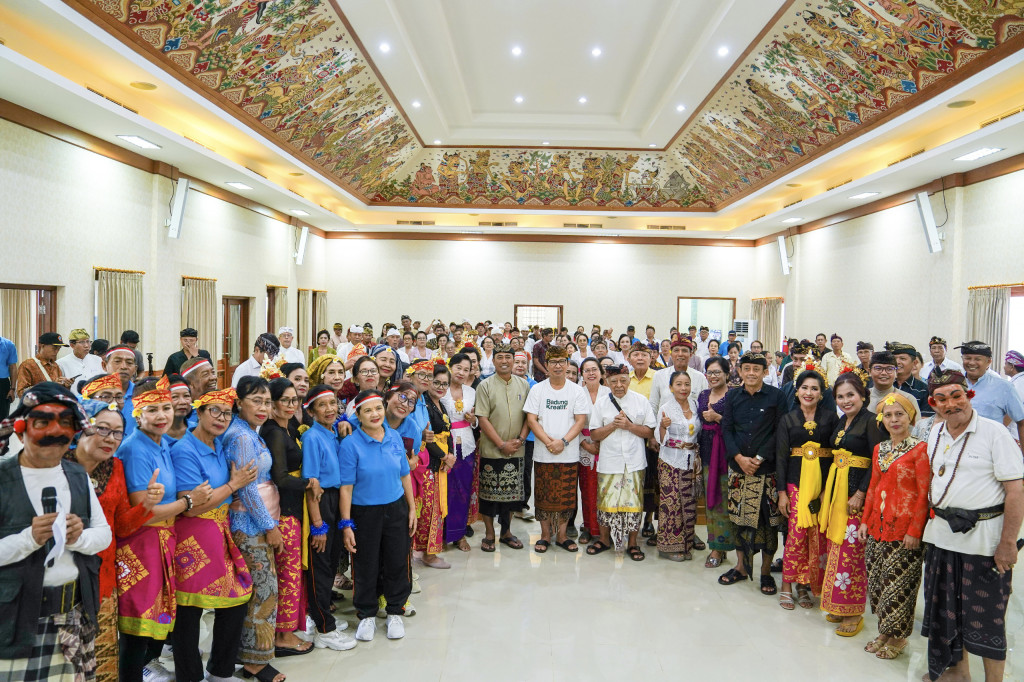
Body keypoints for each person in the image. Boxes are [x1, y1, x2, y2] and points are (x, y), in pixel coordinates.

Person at [0, 384, 112, 681]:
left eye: (66, 424)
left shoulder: (77, 476)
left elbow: (103, 534)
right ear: (21, 429)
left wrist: (81, 538)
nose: (55, 434)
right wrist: (29, 539)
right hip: (13, 622)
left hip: (74, 617)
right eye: (42, 423)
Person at [920, 370, 1024, 682]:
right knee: (946, 614)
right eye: (942, 398)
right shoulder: (935, 432)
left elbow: (1016, 491)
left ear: (969, 396)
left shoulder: (995, 433)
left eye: (956, 396)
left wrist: (1007, 543)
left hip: (984, 545)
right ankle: (960, 673)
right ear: (933, 403)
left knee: (987, 619)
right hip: (941, 538)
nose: (951, 403)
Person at [118, 382, 212, 682]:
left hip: (163, 540)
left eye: (166, 408)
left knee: (157, 618)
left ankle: (149, 666)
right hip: (143, 544)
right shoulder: (135, 450)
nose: (162, 415)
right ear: (136, 414)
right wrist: (188, 502)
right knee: (137, 627)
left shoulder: (160, 443)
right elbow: (143, 514)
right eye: (152, 409)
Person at [66, 398, 160, 682]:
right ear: (83, 427)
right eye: (102, 429)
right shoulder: (58, 466)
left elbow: (121, 526)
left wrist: (146, 505)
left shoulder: (116, 467)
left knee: (103, 659)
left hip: (103, 577)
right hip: (63, 580)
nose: (110, 439)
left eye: (117, 432)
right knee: (67, 661)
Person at [171, 387, 260, 682]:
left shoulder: (219, 444)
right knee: (189, 610)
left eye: (227, 412)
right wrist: (234, 485)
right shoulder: (185, 450)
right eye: (215, 411)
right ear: (198, 412)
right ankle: (189, 675)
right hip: (192, 536)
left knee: (235, 600)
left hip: (218, 530)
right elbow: (191, 507)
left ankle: (219, 671)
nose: (222, 418)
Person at [221, 376, 288, 682]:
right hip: (248, 524)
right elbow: (247, 492)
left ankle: (247, 655)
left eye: (267, 402)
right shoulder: (241, 438)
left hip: (255, 521)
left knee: (259, 591)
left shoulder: (248, 431)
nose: (263, 408)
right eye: (256, 401)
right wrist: (269, 527)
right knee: (263, 591)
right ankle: (255, 663)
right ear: (239, 402)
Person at [856, 392, 929, 661]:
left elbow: (924, 494)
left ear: (910, 417)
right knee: (878, 583)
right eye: (888, 415)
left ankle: (898, 636)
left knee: (899, 585)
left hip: (905, 530)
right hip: (877, 526)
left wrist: (914, 531)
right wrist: (865, 521)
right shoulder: (880, 449)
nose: (894, 419)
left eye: (900, 414)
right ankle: (885, 632)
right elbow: (873, 488)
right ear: (881, 419)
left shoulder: (920, 449)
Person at [339, 389, 416, 642]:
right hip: (364, 513)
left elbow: (404, 474)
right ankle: (367, 614)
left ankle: (395, 610)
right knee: (365, 564)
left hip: (396, 508)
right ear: (358, 415)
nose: (375, 414)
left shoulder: (394, 436)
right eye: (368, 410)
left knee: (397, 560)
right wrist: (347, 524)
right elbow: (346, 488)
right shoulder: (350, 444)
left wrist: (412, 508)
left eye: (378, 408)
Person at [818, 372, 882, 638]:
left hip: (857, 497)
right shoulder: (843, 421)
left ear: (863, 395)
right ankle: (840, 605)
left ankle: (854, 612)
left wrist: (861, 493)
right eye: (841, 396)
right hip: (837, 492)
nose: (846, 401)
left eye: (850, 395)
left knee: (853, 553)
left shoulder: (872, 422)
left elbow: (877, 459)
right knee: (839, 547)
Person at [718, 353, 786, 593]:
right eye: (746, 368)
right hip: (739, 470)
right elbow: (726, 429)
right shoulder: (733, 395)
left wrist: (757, 458)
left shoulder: (776, 396)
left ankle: (765, 572)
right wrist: (738, 457)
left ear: (764, 372)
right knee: (738, 521)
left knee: (768, 525)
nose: (751, 373)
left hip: (766, 470)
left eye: (756, 369)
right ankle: (741, 567)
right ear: (740, 371)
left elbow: (779, 432)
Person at [261, 377, 316, 652]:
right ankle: (282, 637)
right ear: (271, 403)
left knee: (293, 572)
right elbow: (280, 477)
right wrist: (308, 484)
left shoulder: (288, 427)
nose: (291, 405)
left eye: (295, 400)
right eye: (285, 400)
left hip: (295, 507)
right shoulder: (273, 432)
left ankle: (288, 629)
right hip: (285, 512)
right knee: (288, 573)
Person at [299, 385, 357, 651]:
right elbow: (312, 484)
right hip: (321, 502)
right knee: (320, 568)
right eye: (322, 405)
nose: (330, 409)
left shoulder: (334, 432)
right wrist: (318, 525)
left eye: (333, 403)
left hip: (335, 500)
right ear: (311, 410)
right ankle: (323, 628)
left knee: (331, 562)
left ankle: (322, 616)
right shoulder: (313, 437)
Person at [776, 370, 838, 610]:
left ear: (821, 394)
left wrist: (827, 492)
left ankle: (804, 585)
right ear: (797, 390)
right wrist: (782, 492)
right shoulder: (788, 419)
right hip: (795, 483)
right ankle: (786, 585)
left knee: (816, 536)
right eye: (804, 388)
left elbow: (835, 456)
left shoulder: (831, 419)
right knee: (796, 535)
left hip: (822, 486)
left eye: (814, 389)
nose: (809, 393)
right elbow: (781, 457)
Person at [525, 346, 590, 553]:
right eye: (553, 362)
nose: (558, 366)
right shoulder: (538, 389)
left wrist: (563, 442)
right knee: (543, 496)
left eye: (562, 361)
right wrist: (548, 441)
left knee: (566, 496)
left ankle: (562, 536)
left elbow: (580, 420)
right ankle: (545, 535)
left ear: (568, 364)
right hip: (544, 453)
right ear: (547, 365)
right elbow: (531, 419)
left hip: (568, 453)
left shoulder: (577, 390)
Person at [587, 364, 656, 559]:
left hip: (634, 461)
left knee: (634, 503)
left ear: (629, 381)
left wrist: (628, 426)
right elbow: (594, 434)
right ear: (607, 382)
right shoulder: (601, 404)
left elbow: (649, 431)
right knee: (606, 501)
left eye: (623, 381)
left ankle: (632, 543)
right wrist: (612, 425)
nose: (619, 385)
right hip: (610, 461)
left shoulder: (641, 401)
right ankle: (604, 539)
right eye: (614, 381)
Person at [474, 344, 530, 552]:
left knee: (512, 496)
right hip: (491, 449)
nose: (504, 361)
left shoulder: (523, 385)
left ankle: (506, 532)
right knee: (488, 496)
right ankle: (489, 534)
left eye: (508, 357)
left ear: (514, 360)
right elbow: (482, 417)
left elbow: (529, 416)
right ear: (494, 360)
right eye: (500, 357)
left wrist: (520, 440)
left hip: (517, 449)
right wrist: (501, 444)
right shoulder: (485, 386)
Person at [655, 371, 700, 561]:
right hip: (670, 461)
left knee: (689, 503)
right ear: (671, 387)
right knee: (671, 505)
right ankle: (668, 547)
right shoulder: (666, 407)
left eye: (687, 384)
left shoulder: (696, 405)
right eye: (679, 384)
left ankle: (686, 544)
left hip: (692, 461)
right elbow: (659, 438)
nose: (683, 388)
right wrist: (663, 427)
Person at [414, 362, 455, 569]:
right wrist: (444, 457)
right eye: (436, 382)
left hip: (441, 462)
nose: (440, 387)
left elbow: (447, 432)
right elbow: (427, 439)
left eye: (444, 384)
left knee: (435, 509)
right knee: (430, 510)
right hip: (430, 463)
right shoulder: (424, 405)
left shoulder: (441, 404)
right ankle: (428, 554)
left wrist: (452, 455)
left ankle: (427, 552)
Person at [698, 356, 736, 569]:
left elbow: (738, 424)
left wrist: (718, 418)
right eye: (709, 373)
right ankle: (715, 544)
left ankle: (722, 547)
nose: (713, 376)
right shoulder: (703, 394)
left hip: (726, 454)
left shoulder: (734, 395)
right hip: (705, 451)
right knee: (710, 500)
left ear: (726, 373)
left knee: (724, 500)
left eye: (717, 372)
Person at [957, 341, 1024, 455]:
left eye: (978, 359)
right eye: (967, 358)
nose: (972, 363)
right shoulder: (953, 384)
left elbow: (1021, 422)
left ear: (989, 361)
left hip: (990, 452)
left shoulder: (1004, 387)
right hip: (956, 450)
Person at [441, 353, 478, 552]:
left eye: (466, 369)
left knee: (463, 490)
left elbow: (476, 419)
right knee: (445, 490)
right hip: (445, 445)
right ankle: (441, 534)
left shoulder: (471, 392)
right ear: (450, 367)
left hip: (467, 445)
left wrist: (473, 420)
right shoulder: (441, 389)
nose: (462, 373)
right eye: (458, 368)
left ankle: (459, 534)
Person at [576, 357, 609, 544]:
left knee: (605, 490)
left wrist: (602, 442)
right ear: (582, 374)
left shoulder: (609, 393)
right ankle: (588, 527)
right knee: (587, 490)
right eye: (587, 370)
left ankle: (605, 530)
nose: (591, 373)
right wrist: (585, 444)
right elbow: (571, 422)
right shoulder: (577, 393)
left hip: (606, 446)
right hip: (585, 448)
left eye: (594, 369)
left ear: (601, 373)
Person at [649, 338, 709, 413]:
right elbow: (653, 405)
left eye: (684, 351)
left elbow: (704, 407)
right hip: (665, 423)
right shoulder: (659, 375)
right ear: (671, 354)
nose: (680, 354)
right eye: (676, 350)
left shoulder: (700, 378)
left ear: (691, 354)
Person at [889, 342, 931, 417]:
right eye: (894, 359)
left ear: (914, 363)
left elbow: (925, 419)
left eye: (902, 359)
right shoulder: (885, 385)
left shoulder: (924, 389)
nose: (897, 362)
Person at [57, 329, 103, 394]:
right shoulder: (61, 363)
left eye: (88, 341)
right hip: (74, 401)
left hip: (95, 400)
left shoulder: (98, 360)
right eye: (82, 342)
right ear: (72, 345)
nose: (86, 345)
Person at [164, 374, 192, 444]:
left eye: (186, 396)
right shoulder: (155, 435)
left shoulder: (196, 430)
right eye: (174, 397)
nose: (182, 402)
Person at [0, 332, 16, 419]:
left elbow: (13, 367)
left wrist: (12, 389)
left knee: (2, 415)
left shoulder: (8, 345)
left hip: (2, 384)